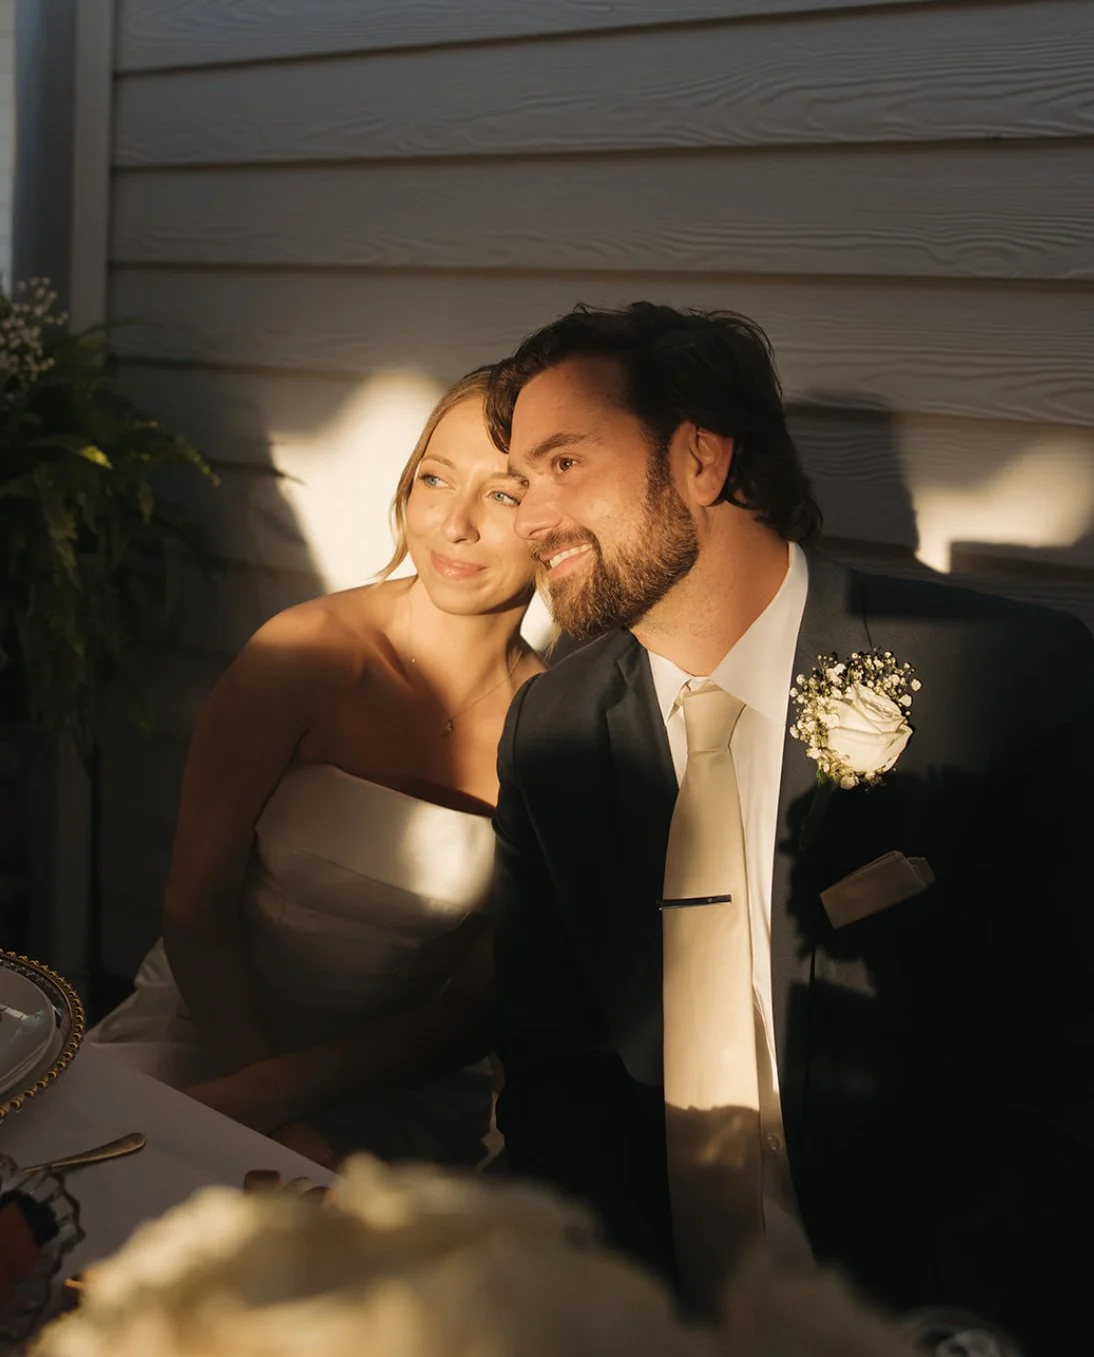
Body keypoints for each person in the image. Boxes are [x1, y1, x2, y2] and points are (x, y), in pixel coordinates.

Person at [485, 302, 1094, 1355]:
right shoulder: (553, 725)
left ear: (701, 461)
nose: (527, 516)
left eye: (563, 463)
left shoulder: (1004, 681)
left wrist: (944, 1332)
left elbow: (1060, 1081)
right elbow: (557, 1068)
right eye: (518, 479)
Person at [89, 367, 542, 1169]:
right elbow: (194, 908)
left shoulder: (556, 727)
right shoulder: (302, 654)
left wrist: (298, 1099)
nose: (454, 523)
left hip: (402, 1087)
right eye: (435, 477)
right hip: (211, 1038)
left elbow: (479, 1005)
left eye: (503, 495)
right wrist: (268, 1107)